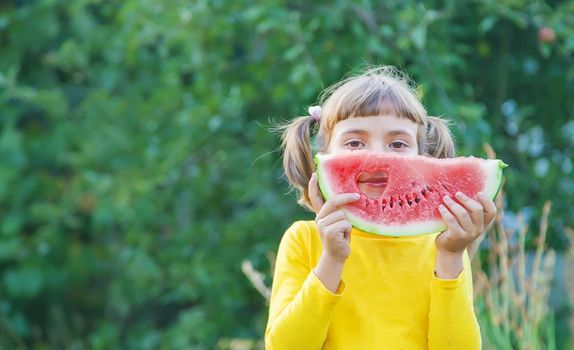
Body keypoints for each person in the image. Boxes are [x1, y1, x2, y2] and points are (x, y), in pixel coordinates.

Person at [265, 66, 497, 349]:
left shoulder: (443, 247)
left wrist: (450, 256)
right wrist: (331, 259)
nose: (377, 156)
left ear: (423, 159)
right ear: (322, 158)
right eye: (354, 142)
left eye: (398, 144)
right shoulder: (304, 240)